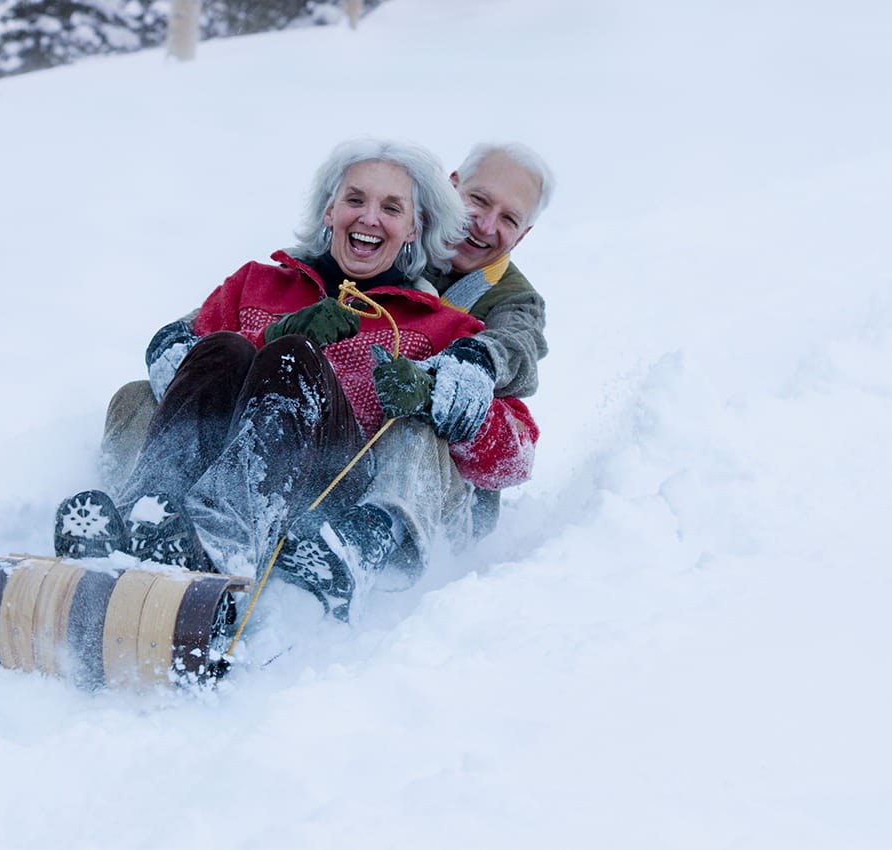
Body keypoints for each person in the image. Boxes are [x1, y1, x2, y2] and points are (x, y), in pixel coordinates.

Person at [56, 139, 538, 621]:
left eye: (391, 208)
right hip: (211, 462)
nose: (369, 218)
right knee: (219, 350)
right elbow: (172, 359)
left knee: (293, 359)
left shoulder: (440, 327)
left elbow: (515, 456)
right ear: (329, 210)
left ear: (416, 227)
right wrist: (267, 333)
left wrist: (437, 395)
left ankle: (221, 546)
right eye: (355, 200)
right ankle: (140, 518)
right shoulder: (256, 284)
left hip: (325, 496)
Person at [427, 142, 554, 536]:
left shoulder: (515, 298)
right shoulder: (394, 246)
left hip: (445, 492)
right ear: (451, 186)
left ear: (523, 234)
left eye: (509, 219)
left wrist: (480, 357)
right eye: (479, 200)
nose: (485, 225)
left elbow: (521, 343)